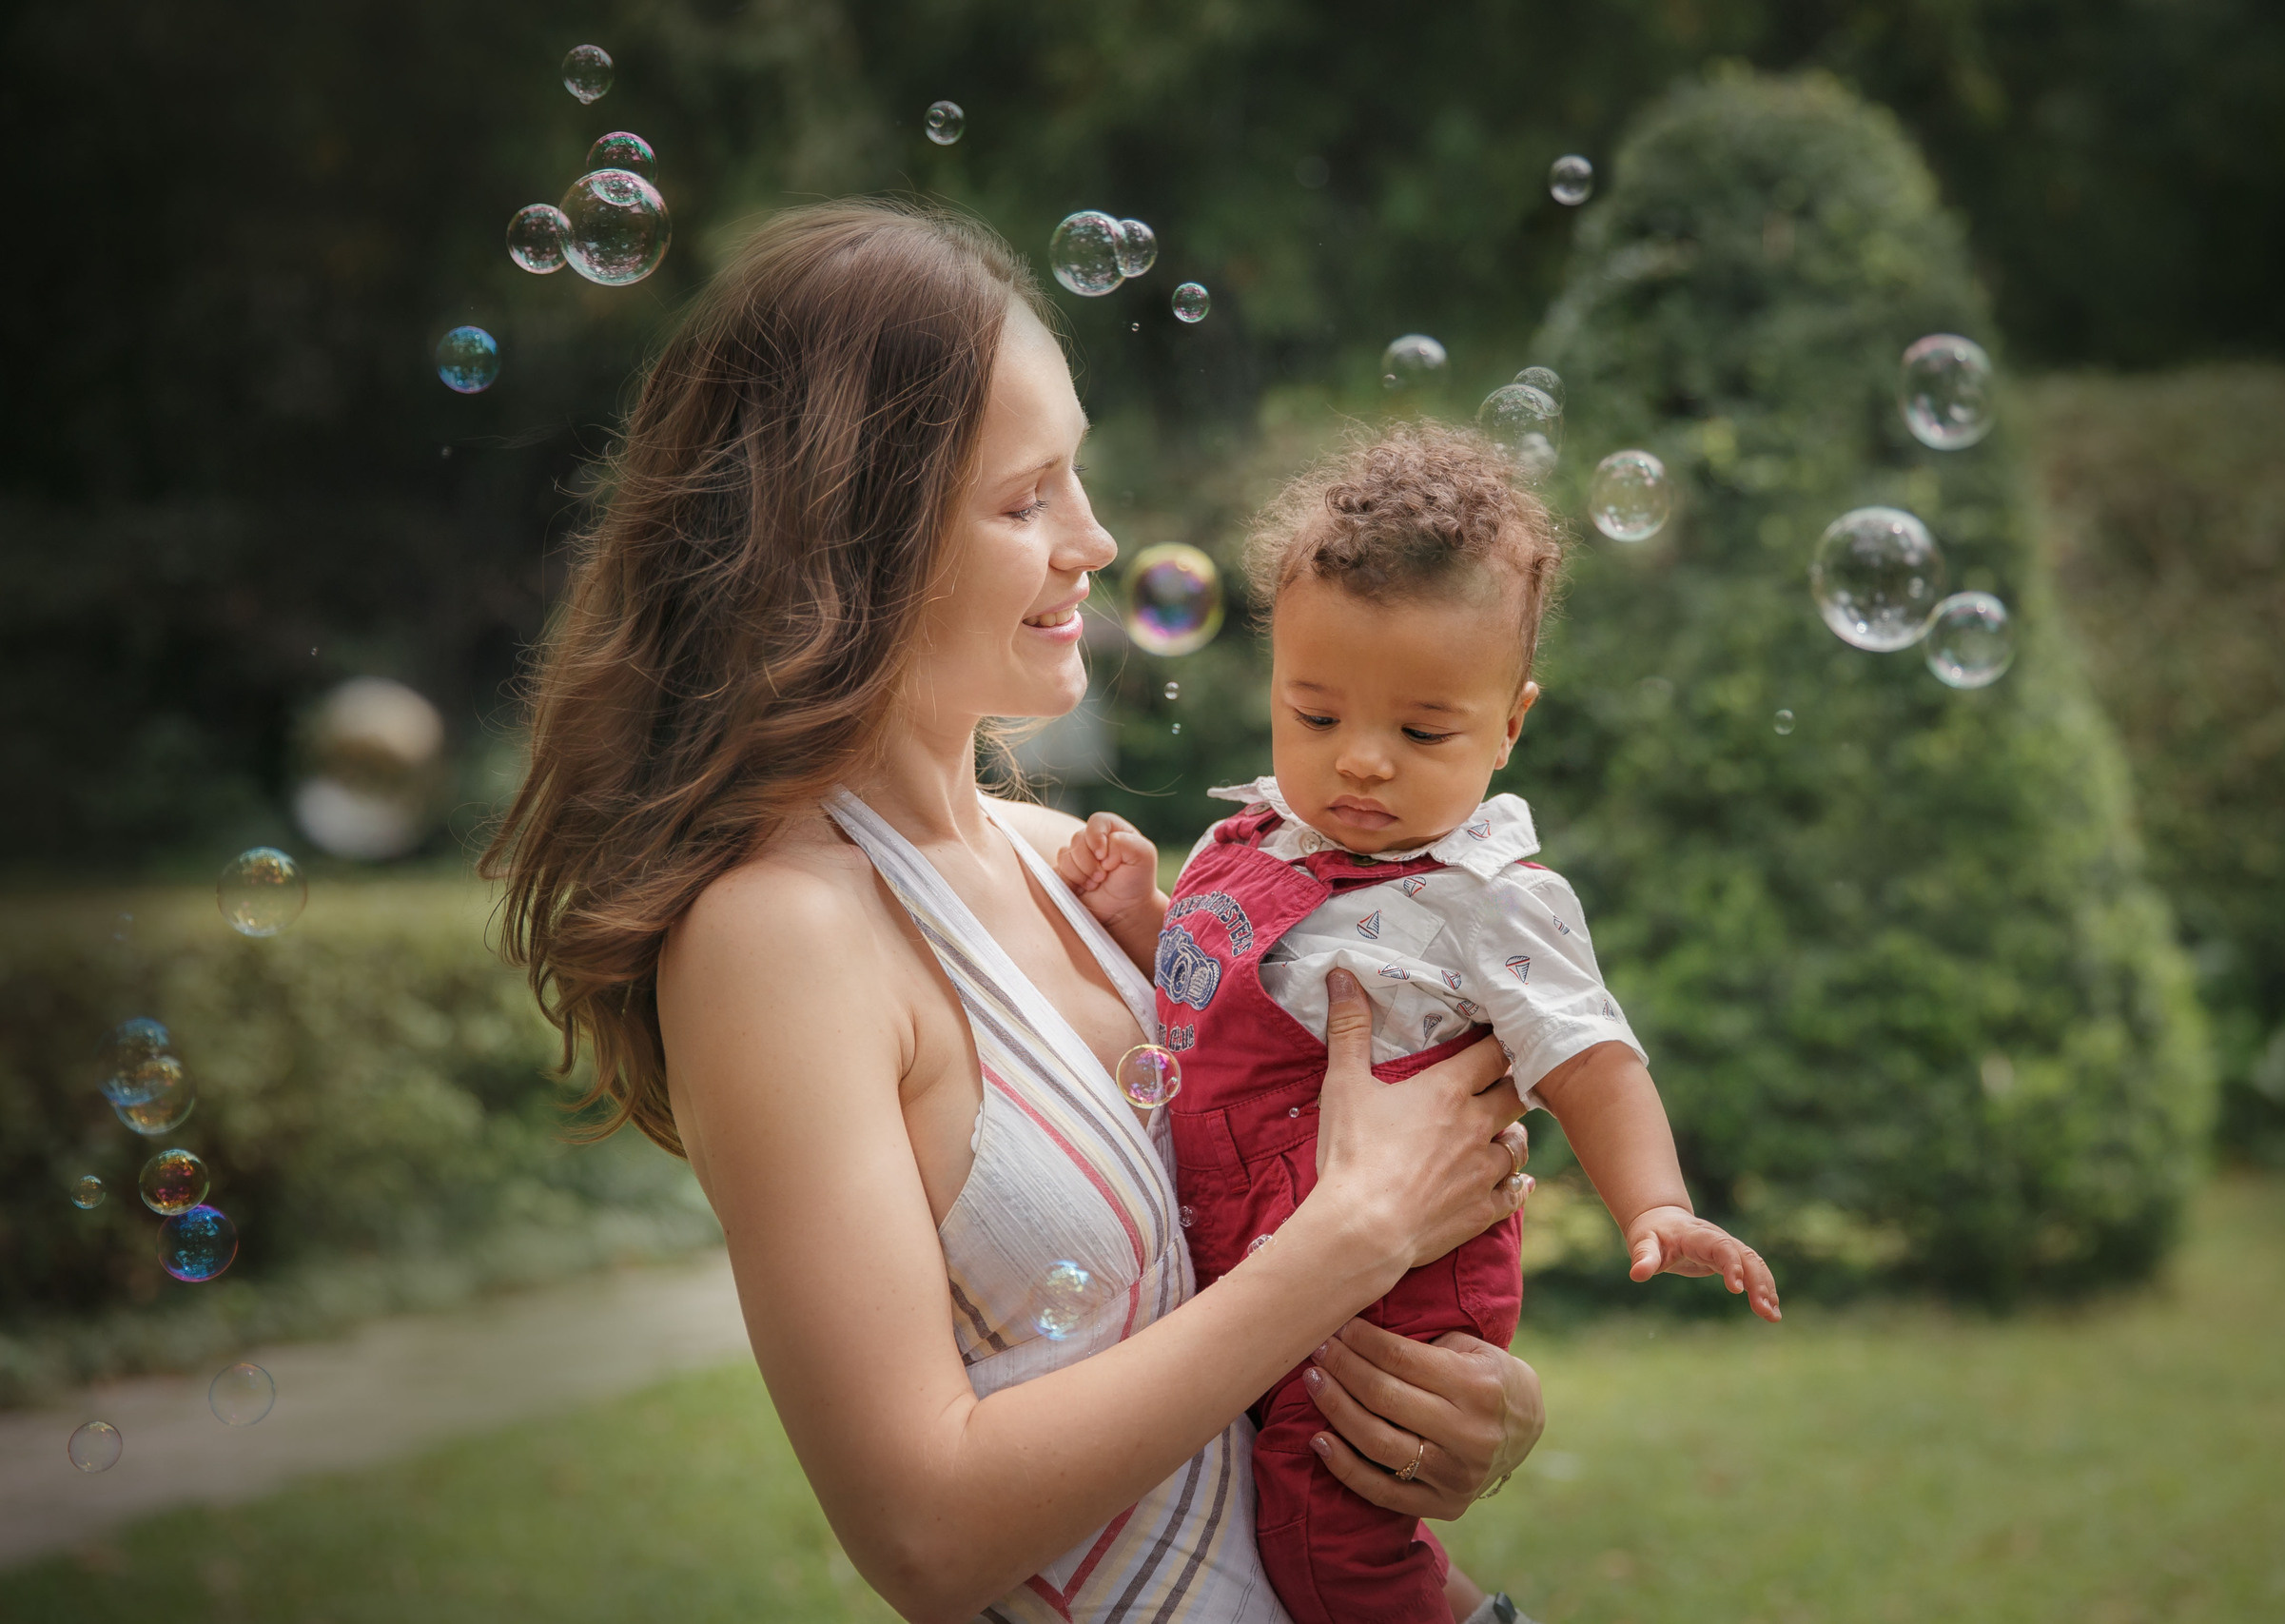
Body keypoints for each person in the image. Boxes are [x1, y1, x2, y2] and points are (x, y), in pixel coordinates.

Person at [484, 200, 1548, 1624]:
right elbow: (923, 1532)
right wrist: (1348, 1238)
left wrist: (1468, 1395)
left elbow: (1280, 1274)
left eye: (1080, 477)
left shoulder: (1075, 863)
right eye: (1024, 498)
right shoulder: (779, 934)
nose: (1095, 540)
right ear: (848, 541)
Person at [1055, 423, 1781, 1624]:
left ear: (1509, 726)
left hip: (1391, 1300)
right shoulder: (1252, 845)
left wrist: (1655, 1203)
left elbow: (1588, 1053)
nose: (1364, 765)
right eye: (1317, 715)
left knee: (1322, 1530)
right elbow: (1200, 999)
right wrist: (1141, 912)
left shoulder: (1487, 895)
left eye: (1426, 731)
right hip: (1256, 1258)